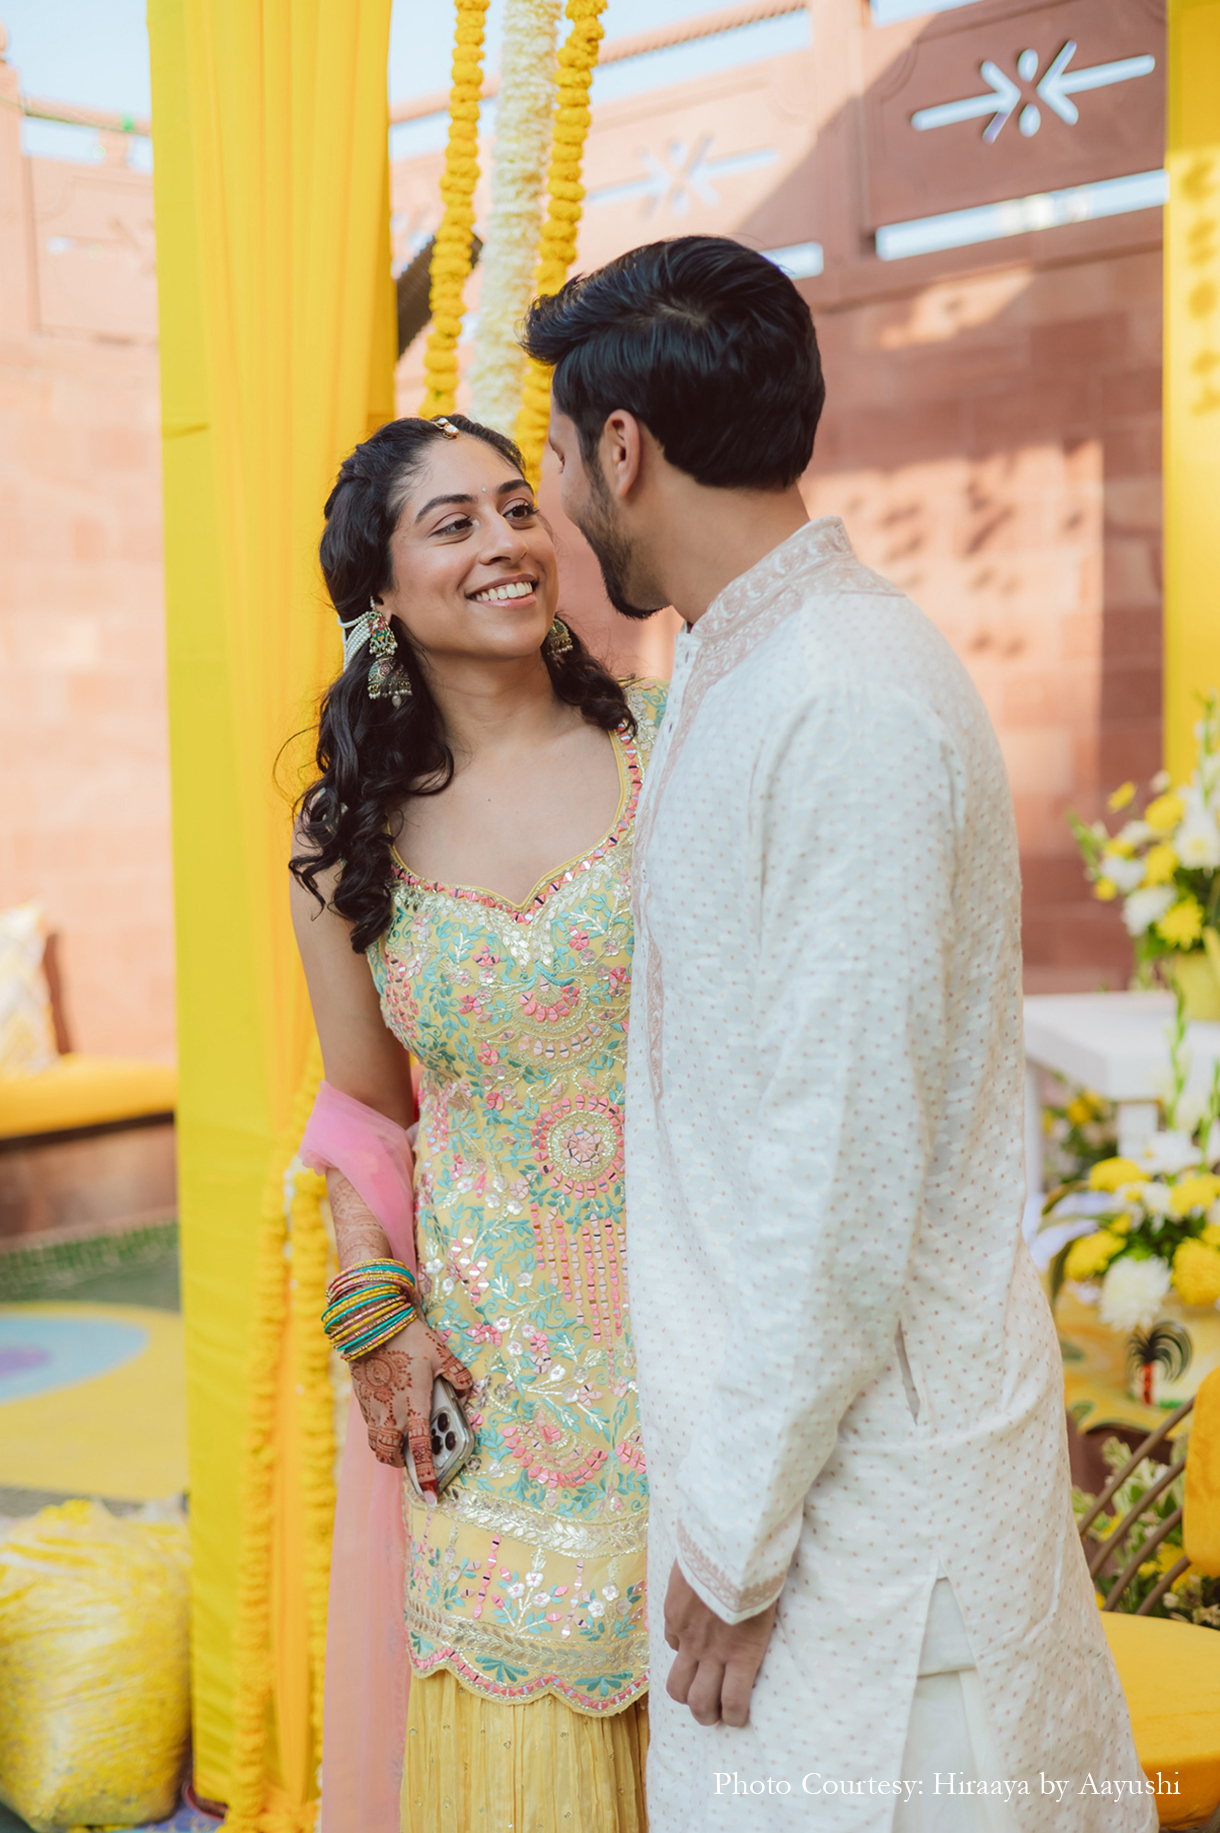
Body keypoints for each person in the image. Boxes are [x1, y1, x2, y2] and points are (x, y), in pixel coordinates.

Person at [522, 236, 1155, 1832]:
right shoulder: (744, 669)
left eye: (550, 451)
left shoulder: (844, 693)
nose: (546, 496)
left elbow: (840, 1156)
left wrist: (734, 1537)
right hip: (794, 1509)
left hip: (875, 1564)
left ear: (622, 446)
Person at [289, 413, 663, 1833]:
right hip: (498, 1403)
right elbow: (362, 1115)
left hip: (700, 1356)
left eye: (518, 505)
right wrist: (372, 1297)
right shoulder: (344, 854)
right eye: (452, 522)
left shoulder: (667, 751)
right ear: (379, 594)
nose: (509, 540)